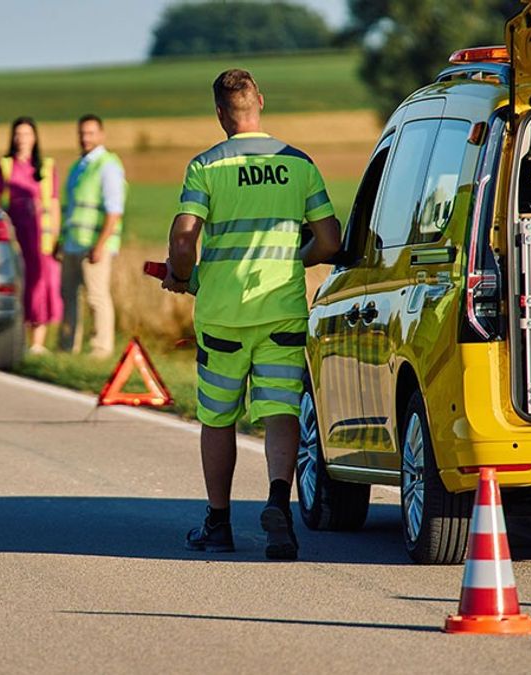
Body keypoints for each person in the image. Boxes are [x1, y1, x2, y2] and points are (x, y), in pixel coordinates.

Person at [162, 69, 341, 560]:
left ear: (220, 113)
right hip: (282, 310)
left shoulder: (206, 166)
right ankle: (279, 505)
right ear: (260, 101)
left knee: (218, 417)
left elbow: (183, 237)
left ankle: (218, 525)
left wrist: (181, 273)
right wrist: (292, 259)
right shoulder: (298, 164)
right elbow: (330, 240)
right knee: (280, 410)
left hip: (222, 314)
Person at [0, 117, 62, 354]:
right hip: (16, 234)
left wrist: (56, 237)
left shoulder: (46, 167)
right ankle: (16, 337)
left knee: (42, 284)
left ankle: (38, 342)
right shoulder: (4, 165)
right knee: (20, 283)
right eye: (18, 134)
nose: (22, 139)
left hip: (42, 237)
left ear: (35, 137)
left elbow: (53, 203)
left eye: (27, 134)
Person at [58, 114, 126, 358]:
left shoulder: (107, 165)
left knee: (96, 297)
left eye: (90, 133)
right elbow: (73, 208)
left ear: (101, 135)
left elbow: (114, 210)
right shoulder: (79, 166)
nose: (85, 138)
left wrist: (101, 244)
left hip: (94, 244)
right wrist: (61, 240)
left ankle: (101, 348)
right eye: (82, 133)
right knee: (68, 296)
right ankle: (67, 346)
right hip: (73, 242)